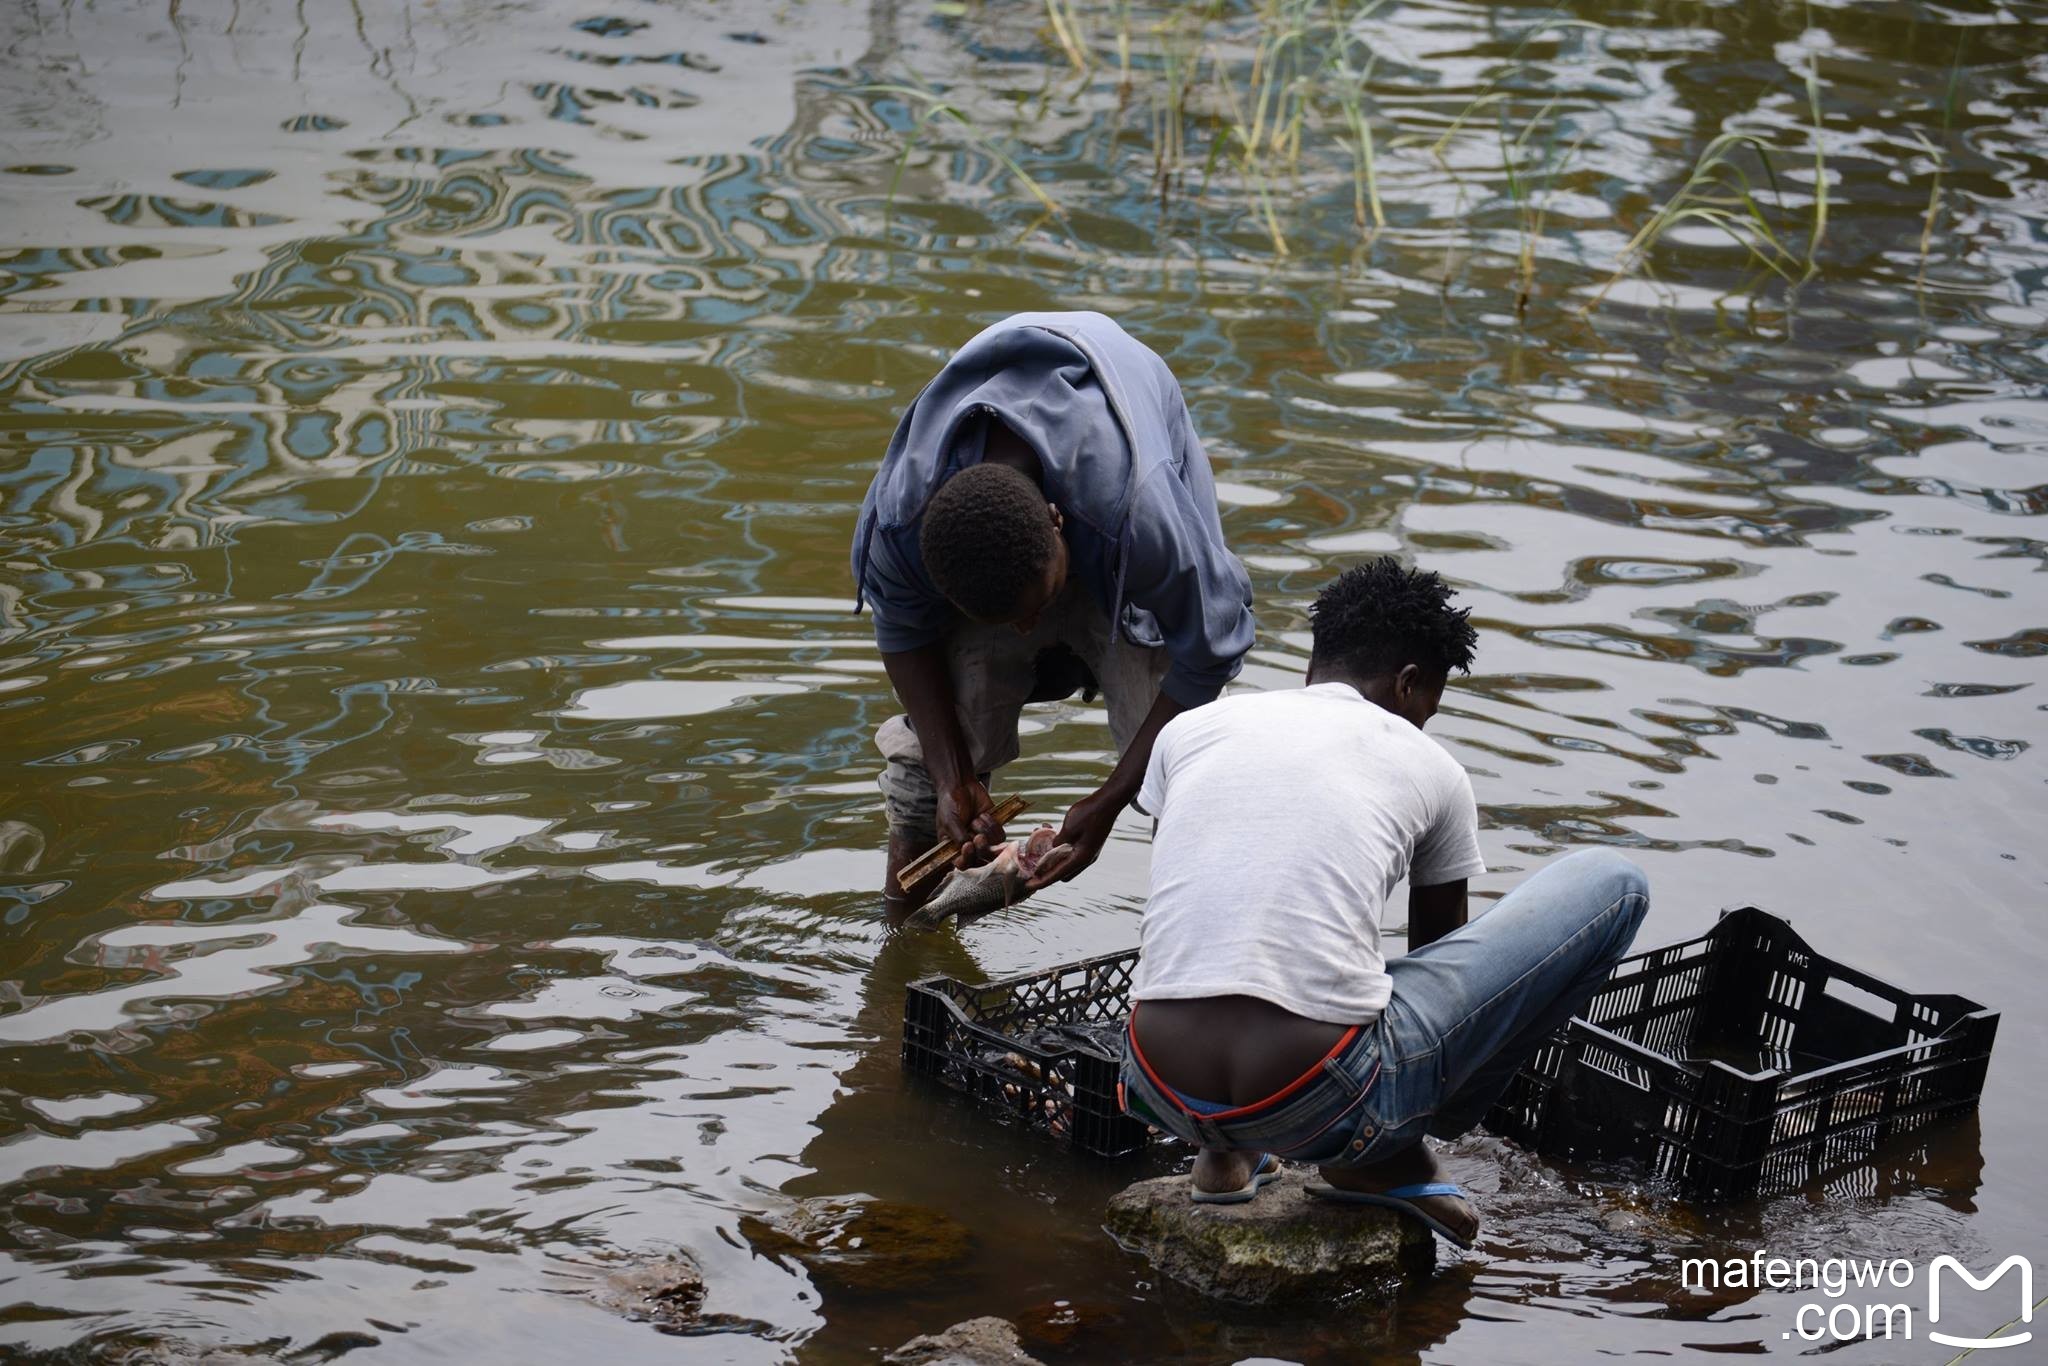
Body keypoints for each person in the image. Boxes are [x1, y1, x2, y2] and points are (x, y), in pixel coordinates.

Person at [1117, 557, 1649, 1247]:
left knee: (1249, 943)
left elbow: (1187, 899)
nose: (1424, 722)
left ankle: (1226, 1152)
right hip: (1322, 1101)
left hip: (1160, 1083)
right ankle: (1383, 1159)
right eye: (1430, 704)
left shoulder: (1191, 730)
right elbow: (1442, 965)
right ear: (1407, 685)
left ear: (1315, 665)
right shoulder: (1431, 766)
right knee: (1615, 882)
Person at [852, 311, 1254, 921]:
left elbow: (1209, 650)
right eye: (1007, 620)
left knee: (1183, 761)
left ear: (1059, 525)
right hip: (1009, 552)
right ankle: (900, 944)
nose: (1025, 632)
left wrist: (1112, 799)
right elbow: (904, 631)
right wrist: (949, 776)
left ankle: (1196, 944)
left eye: (1035, 611)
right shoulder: (904, 518)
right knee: (930, 757)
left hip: (1116, 534)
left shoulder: (1140, 513)